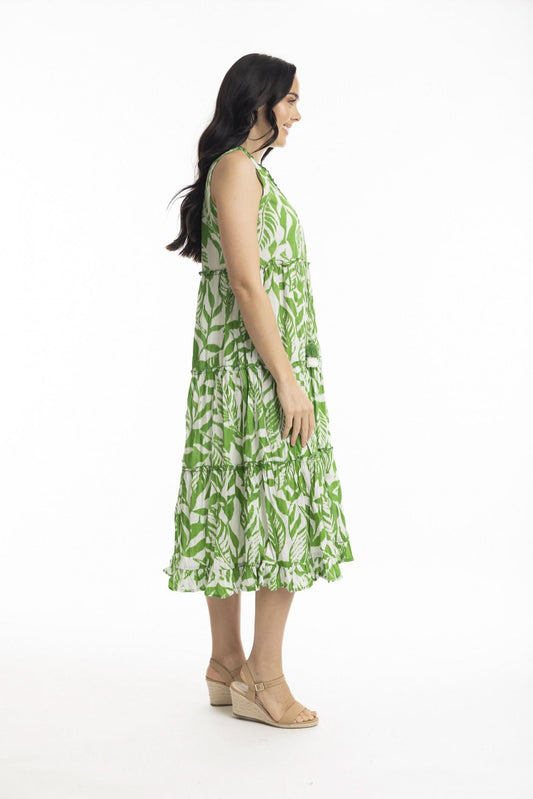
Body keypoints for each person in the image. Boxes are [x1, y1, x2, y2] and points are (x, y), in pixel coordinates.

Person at [163, 53, 355, 729]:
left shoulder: (237, 169)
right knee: (279, 511)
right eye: (291, 100)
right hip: (256, 374)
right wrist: (287, 380)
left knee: (229, 503)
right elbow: (247, 283)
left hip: (237, 373)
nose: (298, 114)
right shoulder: (238, 170)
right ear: (260, 102)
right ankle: (264, 676)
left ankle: (226, 664)